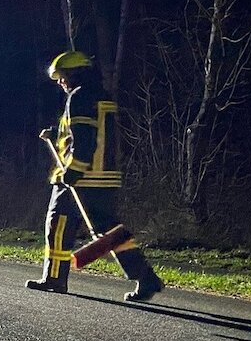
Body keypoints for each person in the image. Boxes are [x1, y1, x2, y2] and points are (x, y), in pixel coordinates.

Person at [27, 51, 163, 301]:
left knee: (58, 225)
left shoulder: (78, 97)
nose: (61, 82)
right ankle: (146, 277)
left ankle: (54, 278)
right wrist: (57, 131)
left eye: (63, 77)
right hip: (105, 177)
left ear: (74, 74)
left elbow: (85, 137)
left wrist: (75, 169)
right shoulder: (102, 97)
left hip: (81, 177)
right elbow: (90, 131)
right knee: (110, 233)